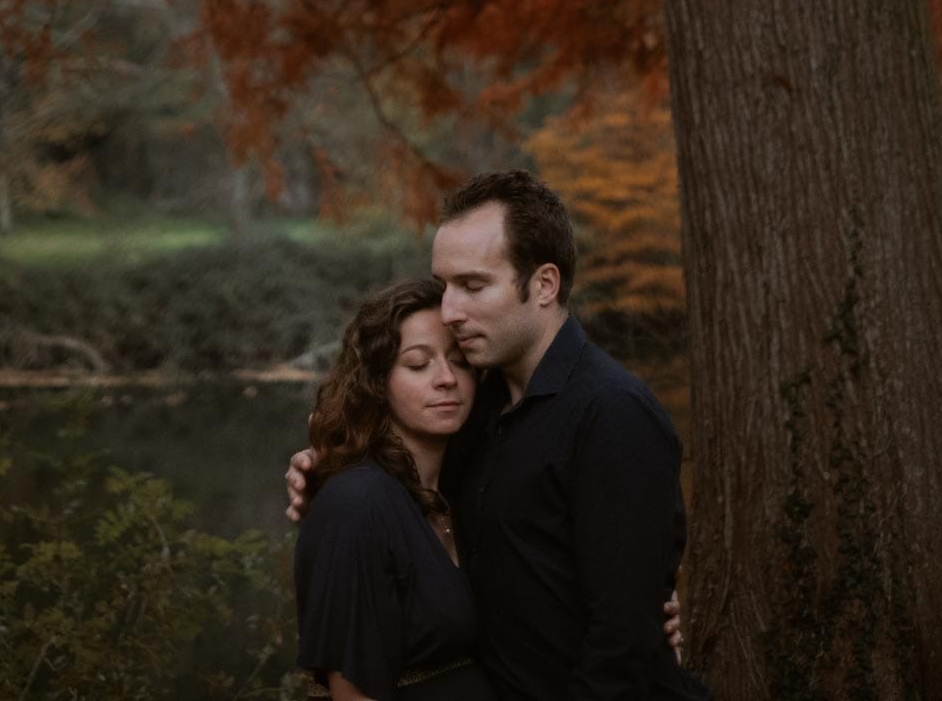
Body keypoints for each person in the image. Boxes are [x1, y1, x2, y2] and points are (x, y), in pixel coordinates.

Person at [289, 171, 711, 701]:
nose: (449, 311)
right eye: (445, 287)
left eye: (472, 286)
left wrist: (651, 617)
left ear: (543, 285)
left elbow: (621, 645)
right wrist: (322, 471)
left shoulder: (612, 414)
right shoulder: (476, 411)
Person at [293, 275, 500, 701]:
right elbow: (353, 693)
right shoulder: (358, 504)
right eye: (418, 364)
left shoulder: (460, 492)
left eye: (460, 361)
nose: (446, 378)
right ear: (377, 381)